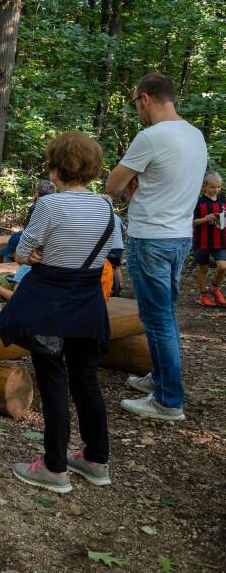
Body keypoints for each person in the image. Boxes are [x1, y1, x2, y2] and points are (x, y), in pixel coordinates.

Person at [0, 131, 122, 493]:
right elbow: (113, 253)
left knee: (54, 380)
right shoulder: (105, 206)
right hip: (87, 303)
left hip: (49, 302)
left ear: (57, 167)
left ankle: (54, 467)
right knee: (86, 381)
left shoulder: (49, 206)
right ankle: (96, 459)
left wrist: (34, 254)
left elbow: (22, 251)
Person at [106, 73, 206, 422]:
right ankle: (163, 378)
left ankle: (167, 400)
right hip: (180, 237)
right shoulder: (195, 135)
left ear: (145, 99)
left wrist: (131, 181)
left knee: (157, 318)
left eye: (136, 104)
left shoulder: (151, 137)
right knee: (164, 314)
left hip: (152, 238)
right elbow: (169, 186)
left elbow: (113, 184)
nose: (137, 111)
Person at [0, 179, 58, 262]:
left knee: (11, 250)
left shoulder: (37, 207)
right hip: (48, 246)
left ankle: (8, 257)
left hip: (37, 246)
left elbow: (31, 231)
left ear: (37, 194)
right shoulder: (58, 208)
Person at [193, 171, 226, 307]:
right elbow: (193, 221)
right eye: (212, 187)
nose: (216, 190)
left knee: (223, 266)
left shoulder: (223, 201)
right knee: (203, 269)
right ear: (204, 186)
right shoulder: (199, 202)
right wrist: (206, 219)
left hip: (221, 240)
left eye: (218, 187)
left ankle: (214, 288)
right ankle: (203, 295)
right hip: (203, 241)